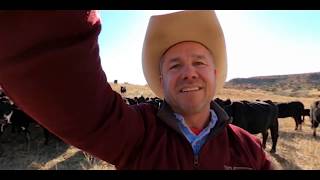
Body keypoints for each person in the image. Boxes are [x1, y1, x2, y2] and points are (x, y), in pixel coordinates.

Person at [0, 10, 274, 170]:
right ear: (161, 80)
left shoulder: (248, 147)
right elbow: (52, 70)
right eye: (175, 65)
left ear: (214, 73)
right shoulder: (137, 133)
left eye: (199, 62)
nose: (189, 71)